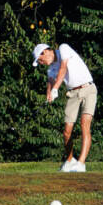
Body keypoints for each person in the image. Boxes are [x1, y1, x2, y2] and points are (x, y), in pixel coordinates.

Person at [33, 42, 96, 172]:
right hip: (72, 94)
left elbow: (63, 68)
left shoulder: (63, 48)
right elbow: (50, 81)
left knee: (84, 124)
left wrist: (56, 88)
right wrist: (49, 93)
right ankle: (70, 160)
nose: (41, 63)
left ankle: (81, 164)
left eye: (40, 60)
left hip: (88, 88)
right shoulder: (50, 69)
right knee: (67, 131)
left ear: (45, 52)